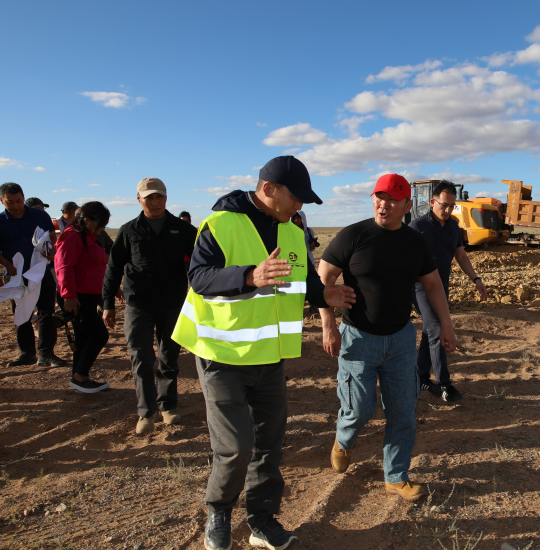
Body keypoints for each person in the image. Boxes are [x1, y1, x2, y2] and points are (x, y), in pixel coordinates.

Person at [172, 156, 355, 550]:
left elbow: (301, 280)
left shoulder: (292, 231)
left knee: (270, 443)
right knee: (236, 447)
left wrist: (324, 295)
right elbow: (198, 277)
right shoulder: (219, 224)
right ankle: (219, 513)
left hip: (270, 358)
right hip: (222, 356)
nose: (300, 206)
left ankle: (261, 520)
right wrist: (248, 276)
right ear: (268, 189)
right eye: (296, 197)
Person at [319, 173, 457, 502]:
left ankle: (396, 476)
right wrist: (327, 324)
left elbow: (433, 285)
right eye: (380, 196)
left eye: (393, 199)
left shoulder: (414, 242)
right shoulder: (354, 235)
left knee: (402, 411)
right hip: (357, 337)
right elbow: (323, 276)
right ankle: (344, 439)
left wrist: (447, 324)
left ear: (407, 205)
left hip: (400, 340)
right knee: (359, 409)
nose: (385, 204)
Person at [102, 177, 197, 434]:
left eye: (159, 197)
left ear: (166, 198)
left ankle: (167, 406)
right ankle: (146, 413)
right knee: (141, 357)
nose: (155, 202)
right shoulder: (129, 230)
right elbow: (113, 268)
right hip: (138, 303)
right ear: (139, 199)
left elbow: (203, 262)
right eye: (149, 197)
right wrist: (107, 303)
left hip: (172, 302)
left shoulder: (184, 230)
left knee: (168, 356)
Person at [409, 180, 487, 402]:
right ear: (432, 202)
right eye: (444, 205)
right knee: (437, 329)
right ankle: (444, 384)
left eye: (452, 206)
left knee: (429, 332)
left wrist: (476, 279)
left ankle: (420, 377)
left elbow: (461, 256)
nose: (448, 210)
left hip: (442, 288)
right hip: (420, 287)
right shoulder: (417, 227)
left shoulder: (454, 226)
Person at [0, 182, 67, 367]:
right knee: (22, 313)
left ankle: (46, 354)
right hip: (15, 276)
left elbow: (52, 237)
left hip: (41, 272)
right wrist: (7, 265)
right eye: (10, 202)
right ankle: (27, 354)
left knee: (47, 312)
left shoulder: (39, 215)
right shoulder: (1, 221)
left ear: (23, 197)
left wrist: (51, 251)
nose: (15, 205)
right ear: (1, 201)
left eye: (19, 201)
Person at [54, 202, 112, 393]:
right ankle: (80, 377)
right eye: (101, 224)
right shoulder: (72, 236)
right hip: (76, 297)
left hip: (87, 295)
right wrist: (68, 295)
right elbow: (64, 266)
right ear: (86, 220)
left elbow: (96, 265)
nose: (102, 229)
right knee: (98, 335)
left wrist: (112, 290)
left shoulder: (88, 236)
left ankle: (79, 378)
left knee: (83, 337)